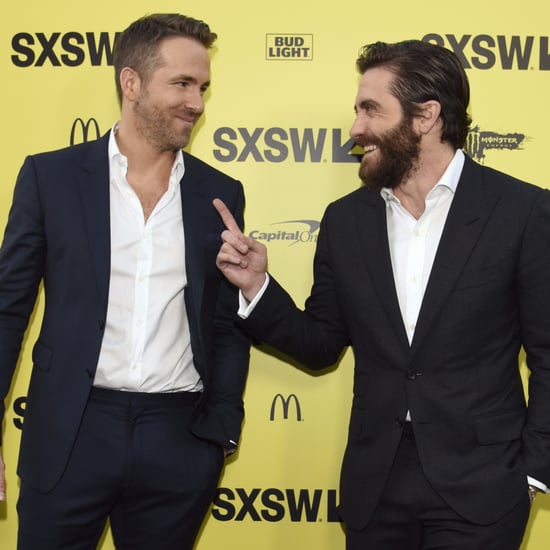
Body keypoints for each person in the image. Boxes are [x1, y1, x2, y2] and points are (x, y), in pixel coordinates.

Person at [213, 39, 550, 549]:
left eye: (371, 109)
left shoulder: (522, 211)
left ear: (426, 116)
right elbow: (322, 343)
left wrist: (533, 473)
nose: (355, 129)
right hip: (377, 482)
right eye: (357, 110)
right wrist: (257, 287)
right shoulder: (346, 220)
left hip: (484, 483)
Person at [0, 13, 250, 549]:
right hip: (69, 431)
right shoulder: (51, 178)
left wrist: (220, 428)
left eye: (203, 87)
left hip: (179, 438)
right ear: (130, 82)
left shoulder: (219, 192)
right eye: (181, 84)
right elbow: (7, 311)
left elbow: (225, 324)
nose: (197, 103)